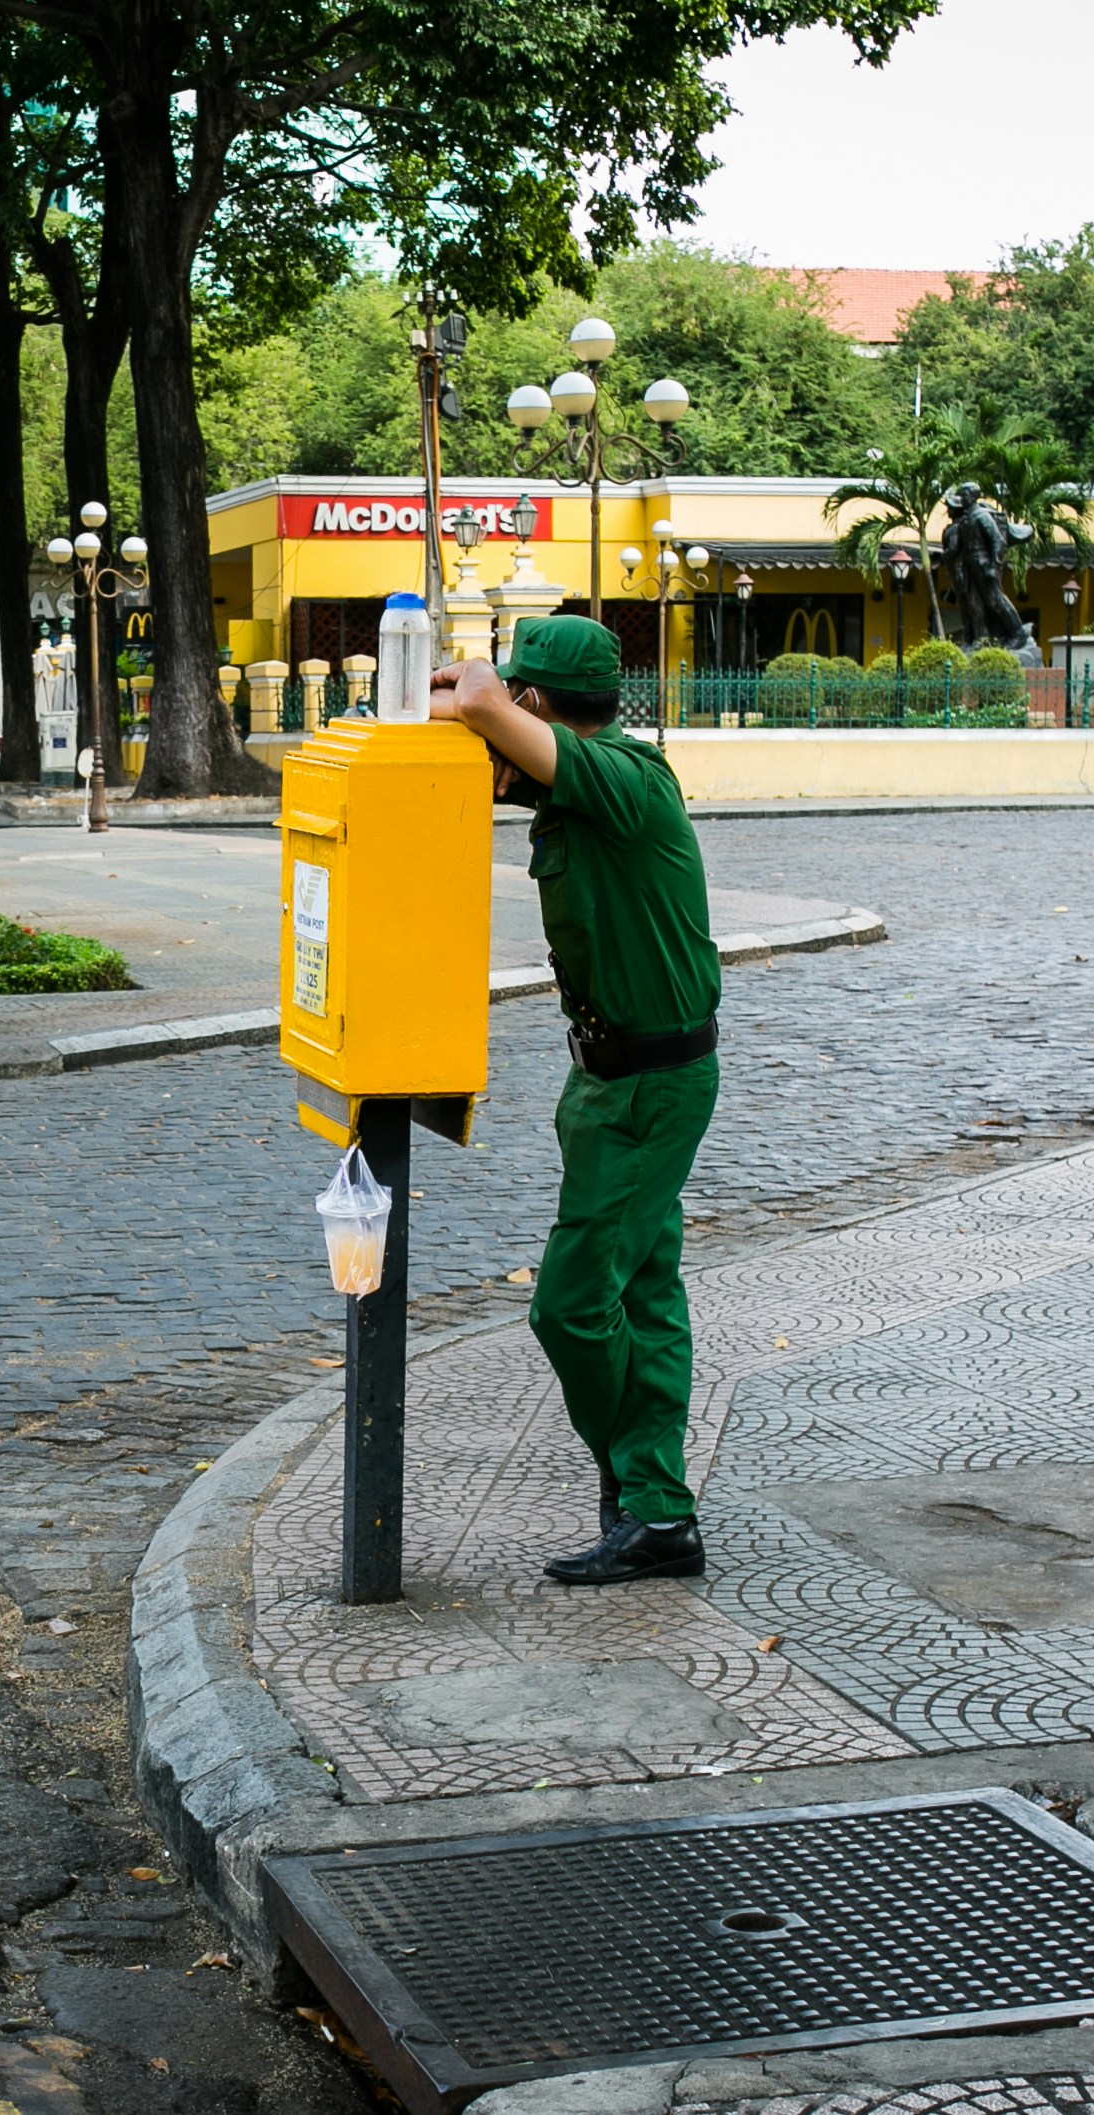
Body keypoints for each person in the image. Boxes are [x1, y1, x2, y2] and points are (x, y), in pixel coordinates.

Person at [433, 615, 723, 1585]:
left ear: (535, 703)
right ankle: (655, 1509)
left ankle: (645, 1498)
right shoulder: (579, 789)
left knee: (568, 1305)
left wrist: (464, 688)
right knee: (644, 1292)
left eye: (514, 699)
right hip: (612, 1080)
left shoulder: (621, 780)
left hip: (647, 1083)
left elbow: (475, 701)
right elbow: (475, 726)